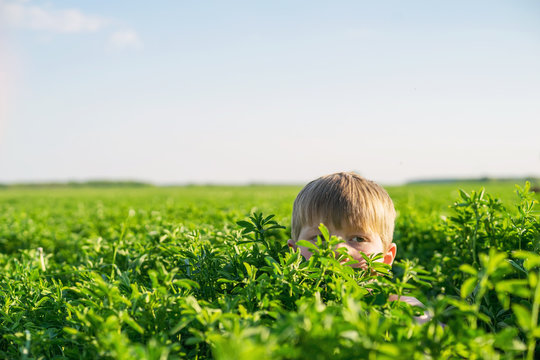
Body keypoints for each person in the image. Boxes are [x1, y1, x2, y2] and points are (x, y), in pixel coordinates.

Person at [287, 172, 431, 324]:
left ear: (386, 258)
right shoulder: (284, 304)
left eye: (358, 239)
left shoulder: (397, 308)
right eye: (319, 237)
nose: (337, 250)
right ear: (293, 252)